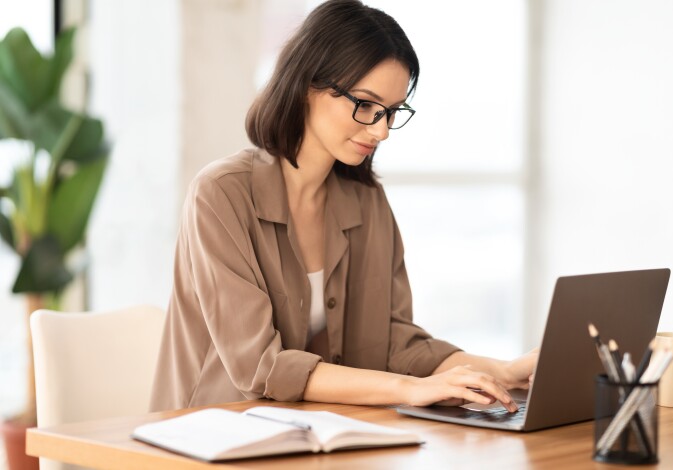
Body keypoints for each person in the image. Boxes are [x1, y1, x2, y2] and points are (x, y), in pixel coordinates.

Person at [150, 0, 537, 413]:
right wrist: (408, 390)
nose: (382, 130)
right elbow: (261, 367)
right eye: (366, 105)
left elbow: (397, 344)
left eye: (391, 112)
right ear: (306, 84)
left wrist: (503, 371)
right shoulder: (221, 194)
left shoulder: (366, 202)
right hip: (206, 435)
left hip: (317, 436)